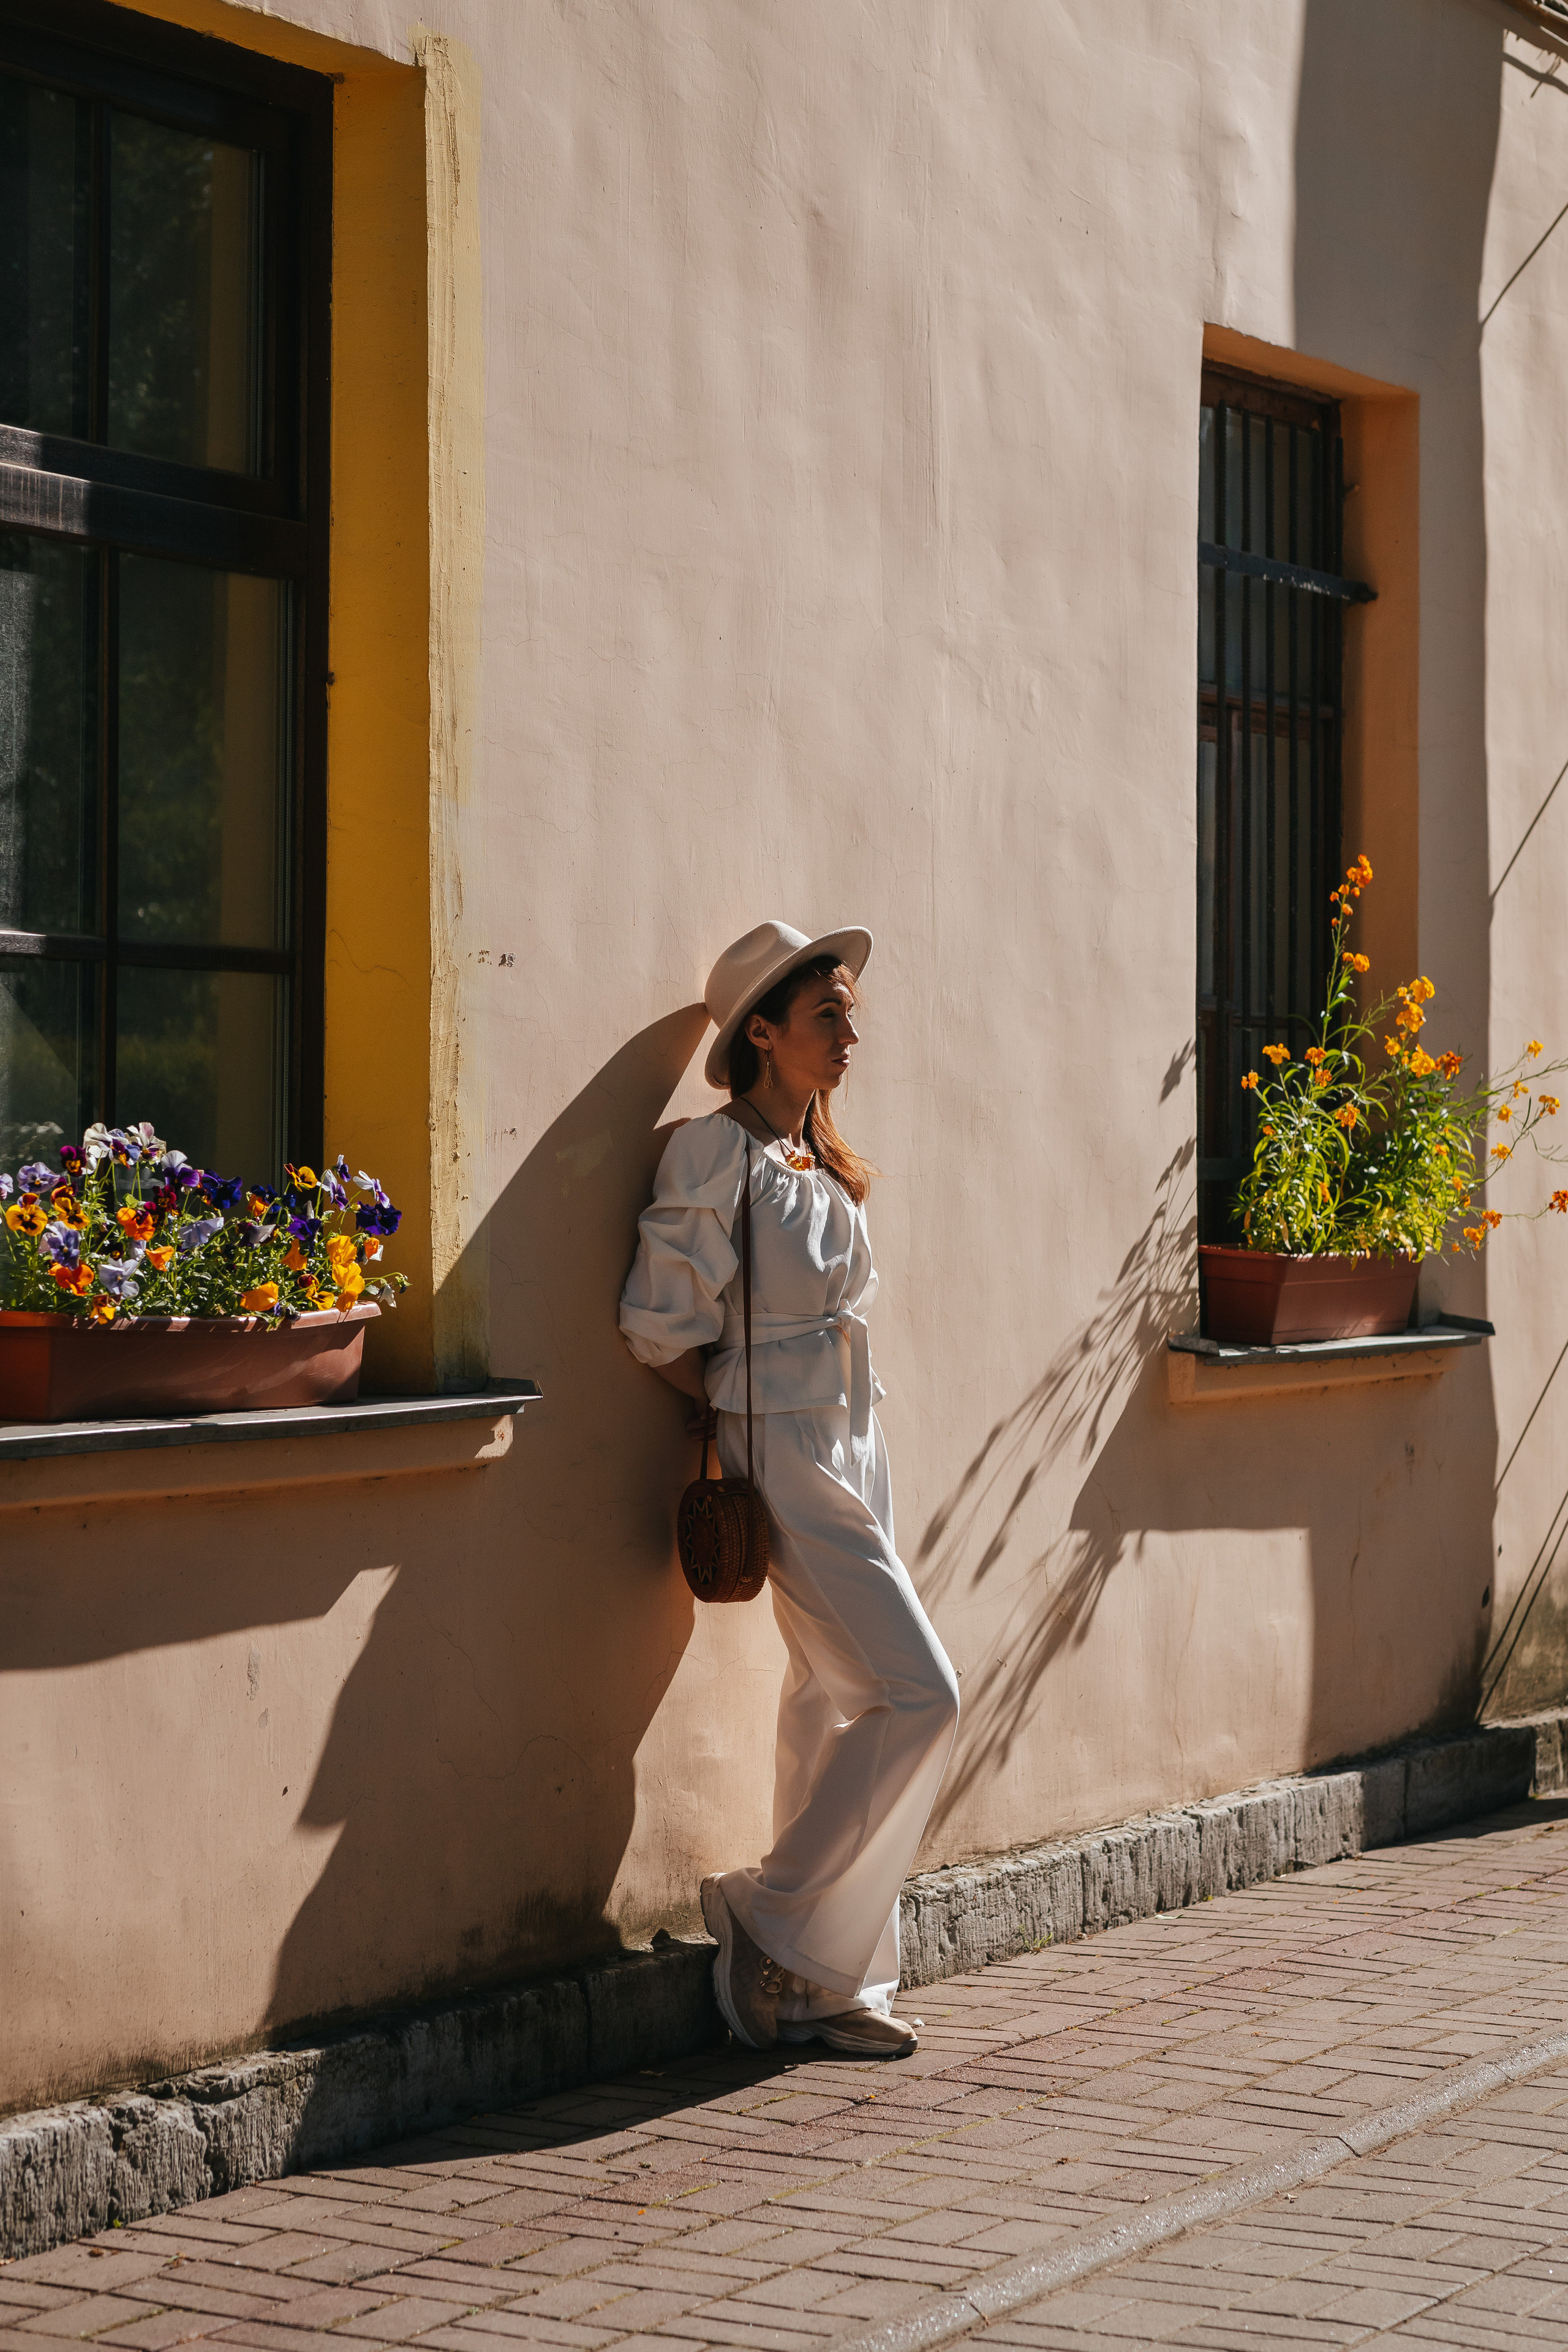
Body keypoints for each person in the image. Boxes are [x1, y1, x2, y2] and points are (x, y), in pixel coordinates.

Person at [619, 919, 960, 2059]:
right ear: (760, 1032)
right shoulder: (716, 1155)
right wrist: (734, 1411)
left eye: (851, 1011)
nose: (850, 1032)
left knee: (828, 1695)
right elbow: (656, 1328)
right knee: (922, 1696)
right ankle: (770, 1918)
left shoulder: (817, 1156)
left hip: (857, 1437)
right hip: (789, 1448)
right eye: (829, 1015)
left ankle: (830, 1982)